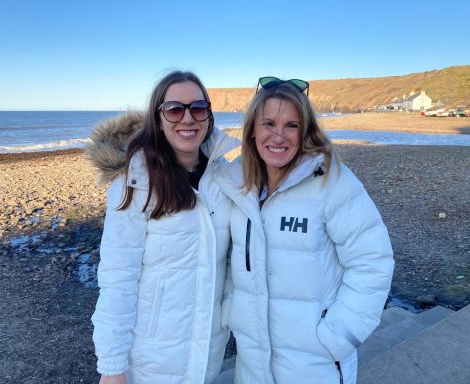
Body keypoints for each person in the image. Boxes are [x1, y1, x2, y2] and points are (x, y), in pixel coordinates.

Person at [216, 77, 394, 383]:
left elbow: (372, 262)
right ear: (252, 130)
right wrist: (233, 311)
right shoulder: (237, 186)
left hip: (316, 365)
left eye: (291, 125)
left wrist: (338, 336)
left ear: (305, 131)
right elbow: (232, 259)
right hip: (252, 363)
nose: (278, 136)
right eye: (268, 123)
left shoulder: (332, 181)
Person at [87, 70, 239, 384]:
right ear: (158, 118)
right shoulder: (135, 180)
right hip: (150, 361)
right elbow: (118, 279)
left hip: (207, 354)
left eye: (198, 108)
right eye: (174, 109)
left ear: (208, 116)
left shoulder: (222, 178)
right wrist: (112, 367)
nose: (188, 118)